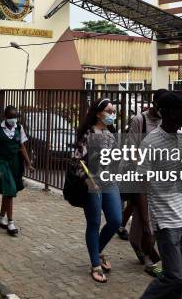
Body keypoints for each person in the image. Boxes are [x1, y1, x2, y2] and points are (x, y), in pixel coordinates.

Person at [139, 91, 182, 299]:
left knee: (180, 280)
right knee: (174, 277)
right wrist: (147, 228)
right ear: (170, 113)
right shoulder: (151, 143)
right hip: (165, 220)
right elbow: (141, 185)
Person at [74, 98, 122, 283]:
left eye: (113, 112)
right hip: (92, 185)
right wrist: (87, 180)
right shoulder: (87, 134)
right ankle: (95, 263)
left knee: (115, 220)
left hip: (110, 183)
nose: (112, 115)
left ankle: (97, 250)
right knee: (94, 223)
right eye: (109, 111)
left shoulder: (111, 133)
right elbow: (76, 161)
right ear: (97, 113)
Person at [122, 88, 168, 277]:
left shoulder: (164, 121)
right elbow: (132, 149)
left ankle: (141, 246)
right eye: (161, 108)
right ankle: (148, 254)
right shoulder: (139, 121)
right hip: (138, 172)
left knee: (144, 211)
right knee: (143, 212)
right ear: (154, 104)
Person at [0, 105, 34, 236]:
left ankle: (1, 217)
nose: (13, 119)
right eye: (10, 117)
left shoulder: (19, 128)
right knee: (10, 190)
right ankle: (11, 222)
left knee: (8, 192)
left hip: (15, 164)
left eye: (15, 117)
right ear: (5, 117)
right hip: (3, 163)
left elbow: (22, 147)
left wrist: (29, 164)